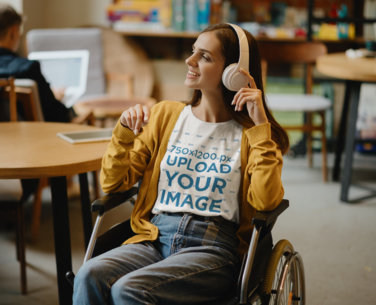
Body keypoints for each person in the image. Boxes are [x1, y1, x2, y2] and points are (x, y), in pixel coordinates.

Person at [73, 23, 289, 305]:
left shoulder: (253, 135)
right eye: (192, 52)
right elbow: (113, 184)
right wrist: (124, 132)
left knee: (130, 290)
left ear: (234, 73)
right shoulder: (166, 115)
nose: (190, 61)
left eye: (205, 56)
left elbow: (265, 201)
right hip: (154, 236)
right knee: (89, 274)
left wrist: (261, 126)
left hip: (213, 249)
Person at [0, 3, 72, 122]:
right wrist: (57, 99)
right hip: (36, 134)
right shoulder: (28, 68)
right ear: (13, 32)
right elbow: (56, 114)